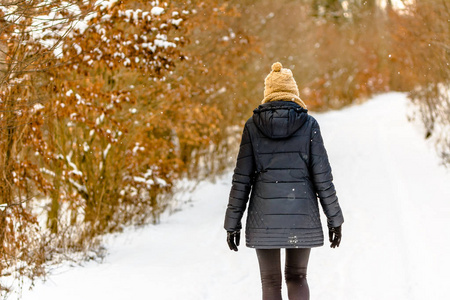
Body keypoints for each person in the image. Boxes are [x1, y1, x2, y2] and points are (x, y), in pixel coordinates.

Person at [224, 62, 344, 300]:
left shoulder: (253, 126)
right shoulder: (309, 125)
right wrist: (335, 219)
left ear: (268, 93)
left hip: (264, 216)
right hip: (302, 214)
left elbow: (242, 179)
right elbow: (323, 177)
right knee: (297, 276)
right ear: (294, 92)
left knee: (270, 282)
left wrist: (232, 223)